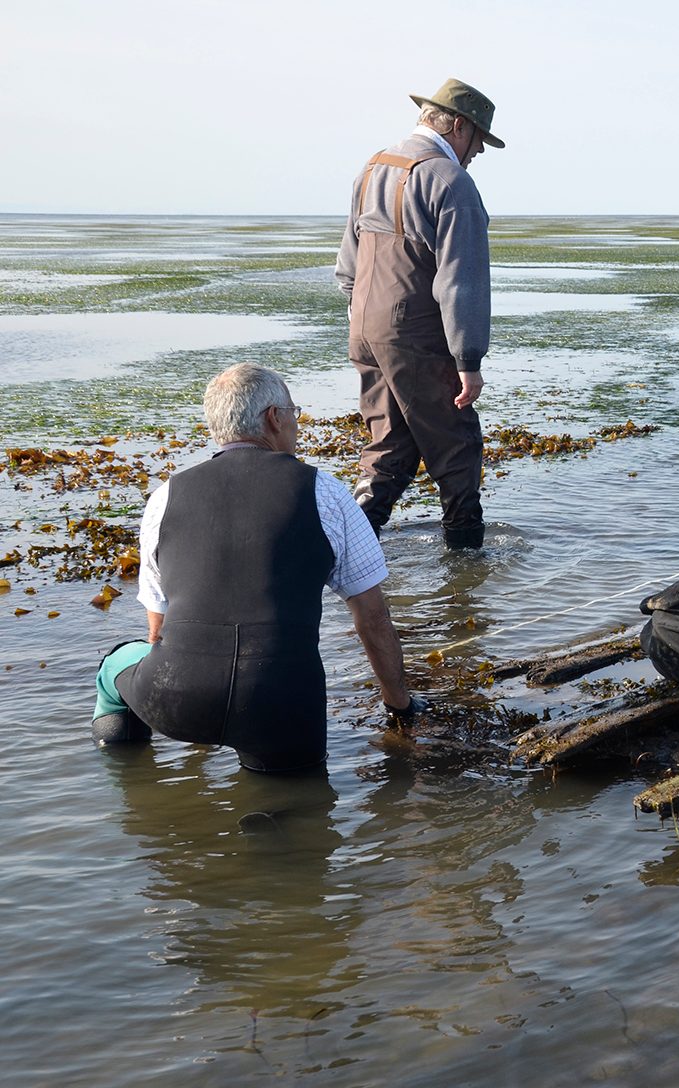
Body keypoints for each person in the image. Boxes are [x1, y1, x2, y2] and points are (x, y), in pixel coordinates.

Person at [91, 364, 421, 773]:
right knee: (297, 810)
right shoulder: (325, 492)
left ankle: (130, 782)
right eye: (294, 414)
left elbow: (157, 631)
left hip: (178, 698)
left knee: (116, 664)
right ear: (273, 418)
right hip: (282, 704)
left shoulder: (165, 497)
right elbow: (373, 617)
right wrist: (399, 706)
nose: (296, 425)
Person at [336, 77, 504, 549]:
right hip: (416, 334)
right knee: (457, 450)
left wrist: (360, 320)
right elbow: (460, 281)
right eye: (479, 139)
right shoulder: (451, 181)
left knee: (389, 450)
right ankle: (466, 571)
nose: (480, 152)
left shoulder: (373, 168)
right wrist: (468, 361)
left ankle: (342, 559)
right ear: (457, 126)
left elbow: (347, 261)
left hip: (364, 327)